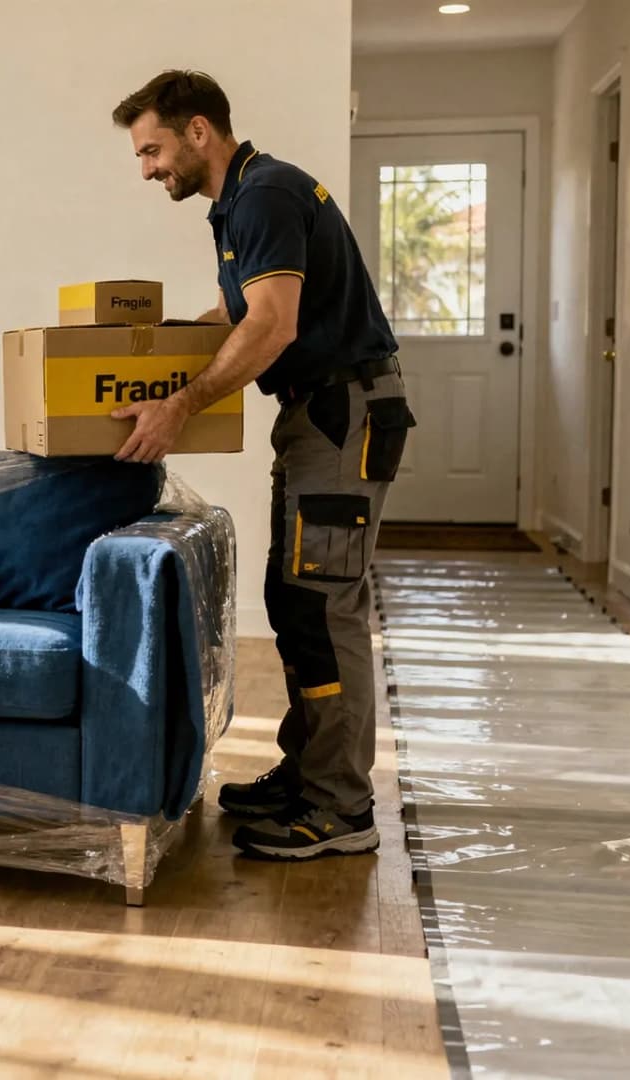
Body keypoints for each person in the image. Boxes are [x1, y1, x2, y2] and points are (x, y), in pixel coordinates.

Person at [107, 70, 416, 860]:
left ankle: (341, 808)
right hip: (318, 416)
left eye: (152, 150)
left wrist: (180, 404)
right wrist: (156, 349)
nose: (146, 170)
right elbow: (242, 310)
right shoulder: (242, 202)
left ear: (198, 131)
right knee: (294, 596)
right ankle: (310, 772)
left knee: (323, 607)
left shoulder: (265, 195)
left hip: (343, 415)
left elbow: (272, 327)